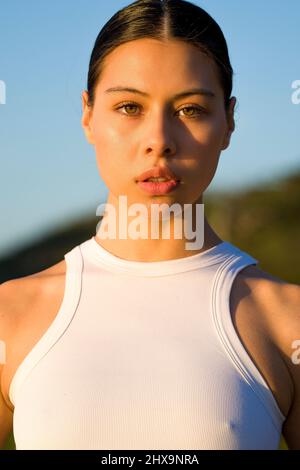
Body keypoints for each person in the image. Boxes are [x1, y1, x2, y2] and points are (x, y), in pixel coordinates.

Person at [0, 0, 299, 451]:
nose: (159, 140)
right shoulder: (11, 316)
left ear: (229, 122)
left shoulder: (286, 320)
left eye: (191, 109)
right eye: (128, 107)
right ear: (87, 115)